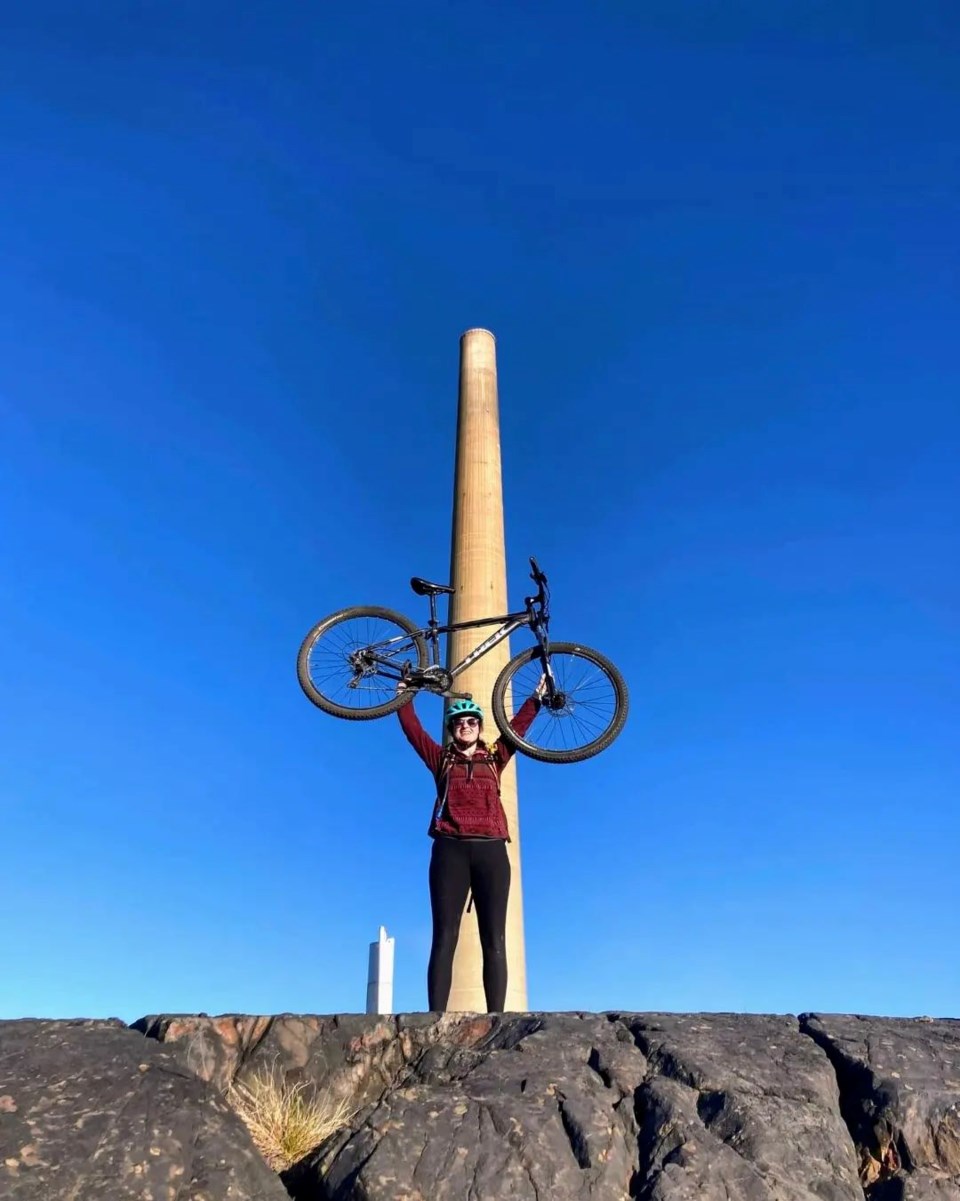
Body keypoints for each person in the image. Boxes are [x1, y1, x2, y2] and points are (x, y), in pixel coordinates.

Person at [396, 683, 543, 1012]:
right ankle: (436, 1019)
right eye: (459, 723)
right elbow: (413, 731)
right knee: (444, 937)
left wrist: (535, 698)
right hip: (450, 851)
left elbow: (517, 728)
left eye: (472, 722)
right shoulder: (441, 761)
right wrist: (404, 696)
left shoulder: (494, 758)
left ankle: (497, 1020)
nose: (466, 725)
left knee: (495, 939)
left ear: (479, 728)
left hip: (491, 851)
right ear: (451, 730)